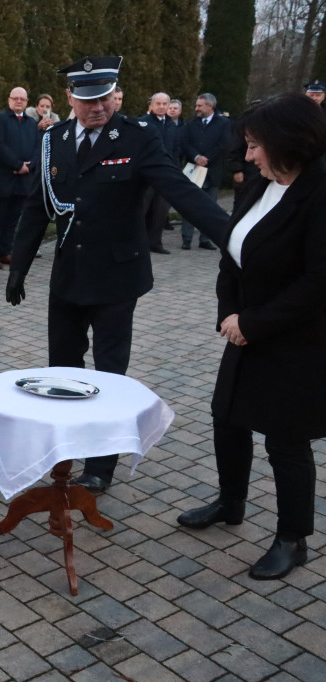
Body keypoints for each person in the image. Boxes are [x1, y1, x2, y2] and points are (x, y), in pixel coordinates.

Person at [5, 56, 229, 493]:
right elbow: (36, 209)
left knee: (108, 376)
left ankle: (100, 465)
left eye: (105, 98)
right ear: (71, 97)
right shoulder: (55, 139)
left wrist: (231, 235)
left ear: (115, 95)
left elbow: (179, 190)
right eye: (88, 100)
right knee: (63, 372)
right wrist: (19, 268)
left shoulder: (136, 138)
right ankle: (65, 452)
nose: (99, 108)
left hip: (116, 278)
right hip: (68, 276)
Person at [176, 93, 326, 580]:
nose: (248, 155)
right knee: (228, 417)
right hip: (243, 329)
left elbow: (317, 282)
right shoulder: (260, 183)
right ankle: (230, 502)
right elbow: (231, 253)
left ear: (288, 143)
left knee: (286, 440)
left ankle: (292, 538)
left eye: (256, 145)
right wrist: (229, 314)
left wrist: (253, 323)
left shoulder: (318, 192)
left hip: (295, 339)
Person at [0, 86, 37, 270]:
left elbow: (37, 147)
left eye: (22, 99)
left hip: (24, 180)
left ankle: (6, 252)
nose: (18, 101)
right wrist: (17, 165)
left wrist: (28, 166)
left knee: (13, 219)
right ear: (9, 100)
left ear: (26, 102)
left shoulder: (31, 123)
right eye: (15, 98)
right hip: (5, 178)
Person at [180, 93, 233, 250]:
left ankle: (205, 239)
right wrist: (196, 156)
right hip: (194, 169)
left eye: (199, 105)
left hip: (212, 170)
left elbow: (225, 144)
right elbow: (185, 143)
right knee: (189, 205)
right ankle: (186, 238)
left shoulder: (223, 123)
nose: (196, 108)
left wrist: (207, 158)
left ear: (210, 106)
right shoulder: (190, 124)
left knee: (210, 206)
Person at [139, 92, 178, 254]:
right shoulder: (143, 122)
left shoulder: (171, 124)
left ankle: (155, 242)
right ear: (152, 105)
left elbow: (175, 149)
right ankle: (138, 242)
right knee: (141, 209)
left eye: (164, 104)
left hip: (166, 174)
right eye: (158, 104)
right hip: (146, 174)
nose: (162, 107)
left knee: (161, 211)